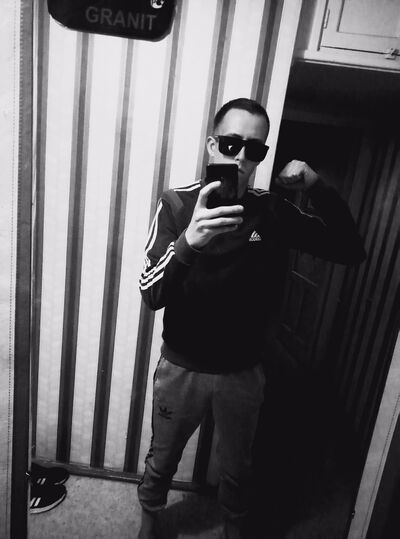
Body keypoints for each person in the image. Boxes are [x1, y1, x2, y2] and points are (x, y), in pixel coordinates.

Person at [137, 98, 365, 539]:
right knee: (162, 457)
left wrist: (316, 185)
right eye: (230, 144)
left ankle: (234, 529)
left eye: (254, 149)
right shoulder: (178, 204)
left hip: (243, 371)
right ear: (212, 145)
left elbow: (349, 249)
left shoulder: (271, 212)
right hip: (181, 367)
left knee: (239, 466)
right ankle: (149, 520)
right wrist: (189, 242)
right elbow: (151, 293)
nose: (241, 158)